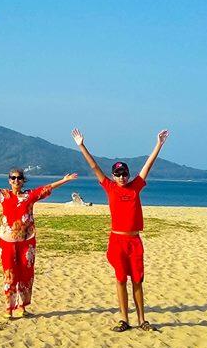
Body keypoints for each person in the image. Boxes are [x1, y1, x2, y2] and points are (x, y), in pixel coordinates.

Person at [72, 127, 169, 332]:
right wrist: (82, 146)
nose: (122, 177)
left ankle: (142, 320)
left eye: (124, 173)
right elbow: (94, 166)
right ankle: (124, 319)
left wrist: (158, 145)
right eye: (118, 174)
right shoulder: (109, 187)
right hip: (117, 241)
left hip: (134, 241)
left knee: (137, 281)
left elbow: (147, 166)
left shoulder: (136, 186)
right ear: (113, 176)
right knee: (120, 280)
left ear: (128, 174)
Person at [0, 168, 78, 318]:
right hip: (6, 242)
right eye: (13, 178)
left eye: (19, 178)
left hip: (27, 242)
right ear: (9, 180)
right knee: (9, 274)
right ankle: (8, 307)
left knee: (25, 273)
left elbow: (47, 188)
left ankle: (21, 306)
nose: (16, 181)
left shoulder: (29, 195)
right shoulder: (3, 195)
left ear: (23, 180)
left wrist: (64, 180)